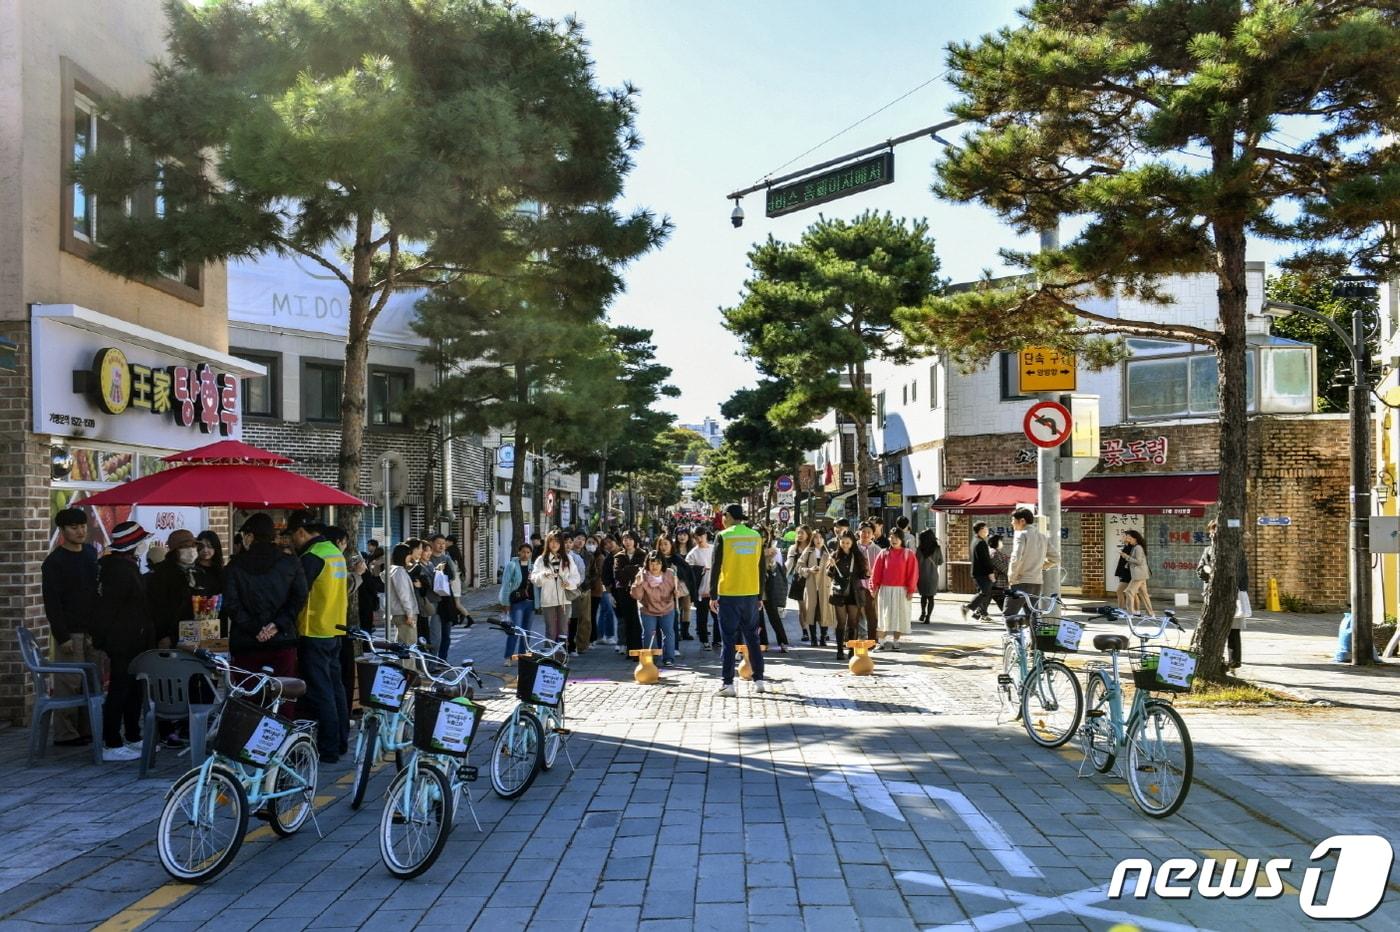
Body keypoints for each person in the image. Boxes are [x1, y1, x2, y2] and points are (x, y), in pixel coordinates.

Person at [287, 510, 349, 763]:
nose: (292, 542)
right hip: (335, 630)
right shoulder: (334, 553)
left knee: (321, 690)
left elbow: (298, 594)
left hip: (314, 631)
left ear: (301, 532)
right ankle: (341, 740)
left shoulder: (313, 557)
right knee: (336, 689)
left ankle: (329, 747)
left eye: (292, 537)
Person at [225, 513, 307, 693]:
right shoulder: (291, 563)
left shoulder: (234, 566)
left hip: (246, 644)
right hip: (283, 640)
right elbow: (299, 597)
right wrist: (277, 625)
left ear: (250, 536)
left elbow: (232, 605)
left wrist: (256, 629)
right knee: (282, 698)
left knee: (247, 699)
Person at [95, 521, 155, 762]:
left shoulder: (125, 567)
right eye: (142, 542)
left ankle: (133, 735)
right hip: (123, 641)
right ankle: (111, 741)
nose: (145, 546)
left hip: (133, 640)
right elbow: (111, 610)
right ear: (133, 545)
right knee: (120, 690)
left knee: (133, 690)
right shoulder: (118, 570)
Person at [42, 507, 100, 748]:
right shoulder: (54, 562)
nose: (80, 531)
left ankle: (87, 729)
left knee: (92, 680)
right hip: (69, 632)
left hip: (93, 630)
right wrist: (62, 635)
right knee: (69, 683)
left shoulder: (90, 553)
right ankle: (65, 734)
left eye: (83, 526)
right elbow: (52, 603)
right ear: (63, 531)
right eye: (74, 527)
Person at [710, 504, 767, 697]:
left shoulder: (723, 536)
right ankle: (759, 680)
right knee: (753, 638)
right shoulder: (756, 536)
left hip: (729, 594)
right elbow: (761, 568)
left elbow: (715, 567)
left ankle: (728, 684)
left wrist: (712, 595)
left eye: (723, 515)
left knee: (728, 640)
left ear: (729, 516)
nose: (722, 519)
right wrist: (760, 595)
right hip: (751, 593)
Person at [147, 530, 217, 653]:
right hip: (170, 640)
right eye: (185, 547)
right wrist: (165, 636)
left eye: (193, 546)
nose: (191, 550)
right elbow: (157, 609)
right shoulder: (162, 574)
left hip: (198, 635)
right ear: (175, 551)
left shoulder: (200, 572)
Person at [1198, 520, 1249, 669]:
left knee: (1233, 629)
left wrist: (1239, 590)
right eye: (1212, 531)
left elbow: (1241, 574)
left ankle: (1234, 660)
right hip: (1211, 594)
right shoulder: (1208, 550)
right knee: (1211, 628)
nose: (1213, 533)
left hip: (1232, 595)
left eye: (1216, 530)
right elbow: (1199, 569)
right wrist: (1208, 572)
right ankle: (1214, 659)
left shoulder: (1236, 551)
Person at [871, 529, 919, 650]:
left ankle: (896, 641)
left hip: (901, 590)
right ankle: (881, 642)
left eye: (896, 537)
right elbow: (876, 572)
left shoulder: (908, 554)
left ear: (902, 539)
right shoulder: (883, 553)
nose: (894, 540)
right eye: (891, 537)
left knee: (900, 615)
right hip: (885, 589)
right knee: (883, 616)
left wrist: (911, 589)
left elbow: (913, 573)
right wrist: (874, 587)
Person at [1005, 508, 1054, 622]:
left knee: (1009, 614)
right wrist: (1042, 566)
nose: (1011, 523)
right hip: (1036, 582)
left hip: (1020, 581)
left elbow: (1016, 558)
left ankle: (1016, 639)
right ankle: (1034, 640)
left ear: (1022, 521)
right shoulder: (1043, 537)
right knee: (1032, 615)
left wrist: (1011, 578)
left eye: (1013, 520)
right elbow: (1056, 558)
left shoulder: (1021, 535)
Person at [826, 530, 869, 661]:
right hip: (839, 592)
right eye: (843, 542)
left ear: (852, 543)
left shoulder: (857, 556)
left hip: (854, 592)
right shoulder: (834, 555)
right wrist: (831, 566)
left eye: (848, 542)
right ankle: (839, 650)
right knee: (841, 622)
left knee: (853, 623)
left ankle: (851, 650)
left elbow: (863, 575)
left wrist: (867, 571)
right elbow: (829, 574)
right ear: (839, 542)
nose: (845, 545)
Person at [631, 550, 679, 666]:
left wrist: (677, 592)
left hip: (667, 608)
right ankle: (651, 658)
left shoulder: (670, 574)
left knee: (669, 632)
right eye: (652, 563)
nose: (654, 566)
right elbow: (637, 596)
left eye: (658, 563)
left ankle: (669, 658)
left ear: (662, 564)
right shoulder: (642, 575)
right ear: (647, 564)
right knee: (649, 633)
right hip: (648, 609)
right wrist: (637, 584)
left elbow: (677, 589)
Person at [532, 531, 580, 643]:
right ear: (547, 543)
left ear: (561, 544)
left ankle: (561, 657)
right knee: (550, 631)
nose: (554, 544)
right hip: (548, 600)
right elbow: (534, 578)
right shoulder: (541, 559)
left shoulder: (568, 558)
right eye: (552, 541)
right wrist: (543, 575)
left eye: (557, 542)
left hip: (565, 600)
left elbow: (576, 577)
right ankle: (549, 657)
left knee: (563, 630)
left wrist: (569, 583)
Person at [498, 543, 536, 662]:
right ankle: (508, 657)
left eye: (528, 552)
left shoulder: (533, 567)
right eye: (523, 552)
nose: (525, 554)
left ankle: (523, 655)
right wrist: (505, 603)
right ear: (519, 552)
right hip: (517, 602)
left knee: (527, 631)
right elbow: (506, 584)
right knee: (515, 630)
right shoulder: (512, 565)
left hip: (530, 602)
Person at [612, 531, 646, 655]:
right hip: (624, 591)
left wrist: (627, 569)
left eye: (630, 539)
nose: (628, 542)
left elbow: (643, 571)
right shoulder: (619, 556)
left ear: (635, 540)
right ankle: (630, 649)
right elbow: (618, 575)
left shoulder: (642, 554)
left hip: (639, 591)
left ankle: (638, 649)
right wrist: (632, 569)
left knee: (637, 620)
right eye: (625, 539)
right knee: (628, 620)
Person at [797, 528, 832, 646]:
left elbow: (834, 570)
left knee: (824, 611)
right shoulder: (808, 551)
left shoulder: (828, 552)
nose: (818, 540)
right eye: (816, 537)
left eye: (821, 537)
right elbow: (799, 567)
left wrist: (832, 563)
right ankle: (813, 638)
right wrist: (809, 570)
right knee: (811, 611)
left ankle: (823, 637)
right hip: (811, 585)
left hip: (824, 586)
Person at [686, 527, 716, 648]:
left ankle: (718, 639)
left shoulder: (714, 549)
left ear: (706, 536)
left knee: (718, 617)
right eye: (696, 536)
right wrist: (701, 569)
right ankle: (704, 640)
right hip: (701, 590)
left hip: (715, 588)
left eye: (701, 536)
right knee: (702, 617)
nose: (699, 539)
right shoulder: (692, 553)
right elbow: (689, 572)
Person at [759, 542, 791, 652]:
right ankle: (763, 643)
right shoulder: (754, 550)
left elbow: (776, 569)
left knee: (774, 616)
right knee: (759, 618)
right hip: (756, 589)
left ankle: (783, 642)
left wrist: (770, 559)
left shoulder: (773, 550)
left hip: (768, 590)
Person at [385, 543, 419, 646]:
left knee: (402, 644)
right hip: (404, 614)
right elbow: (404, 595)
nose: (410, 557)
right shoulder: (399, 572)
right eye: (409, 554)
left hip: (400, 613)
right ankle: (404, 663)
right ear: (403, 555)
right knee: (408, 646)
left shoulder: (394, 570)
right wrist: (409, 614)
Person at [568, 533, 593, 657]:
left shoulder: (588, 556)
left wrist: (588, 584)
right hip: (569, 590)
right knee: (571, 618)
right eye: (578, 538)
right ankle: (569, 644)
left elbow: (593, 572)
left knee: (584, 618)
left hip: (584, 589)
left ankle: (582, 645)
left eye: (584, 539)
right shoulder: (568, 554)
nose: (581, 541)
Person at [786, 527, 812, 642]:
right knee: (802, 608)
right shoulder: (793, 548)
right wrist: (783, 576)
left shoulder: (812, 547)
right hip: (798, 580)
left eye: (802, 533)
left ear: (808, 534)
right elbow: (789, 564)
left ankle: (814, 630)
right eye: (798, 533)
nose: (800, 535)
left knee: (811, 606)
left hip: (811, 579)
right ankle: (805, 631)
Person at [857, 523, 883, 641]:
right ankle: (857, 637)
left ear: (873, 535)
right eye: (863, 531)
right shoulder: (853, 547)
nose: (866, 535)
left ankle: (872, 638)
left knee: (871, 613)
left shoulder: (877, 550)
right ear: (858, 532)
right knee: (856, 613)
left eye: (869, 532)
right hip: (856, 585)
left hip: (871, 586)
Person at [964, 522, 995, 620]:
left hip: (977, 572)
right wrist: (991, 573)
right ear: (981, 529)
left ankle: (981, 614)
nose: (987, 531)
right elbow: (985, 559)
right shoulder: (981, 542)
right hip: (982, 573)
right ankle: (968, 607)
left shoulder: (975, 540)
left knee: (985, 593)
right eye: (986, 529)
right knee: (984, 592)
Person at [1121, 529, 1153, 616]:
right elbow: (1138, 561)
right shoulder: (1136, 547)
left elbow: (1138, 561)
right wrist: (1128, 563)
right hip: (1141, 574)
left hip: (1139, 575)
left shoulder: (1138, 547)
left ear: (1135, 538)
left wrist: (1126, 557)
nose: (1128, 539)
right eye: (1127, 538)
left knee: (1129, 592)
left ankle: (1130, 612)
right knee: (1144, 595)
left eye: (1129, 538)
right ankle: (1151, 613)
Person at [673, 528, 697, 642]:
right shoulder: (673, 549)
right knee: (675, 608)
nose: (682, 537)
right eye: (679, 534)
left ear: (688, 536)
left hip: (687, 583)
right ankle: (675, 630)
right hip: (674, 583)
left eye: (684, 534)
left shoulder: (692, 549)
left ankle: (685, 631)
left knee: (687, 607)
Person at [592, 536, 616, 646]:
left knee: (603, 611)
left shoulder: (608, 555)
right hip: (603, 586)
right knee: (608, 610)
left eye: (610, 542)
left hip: (603, 586)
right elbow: (603, 574)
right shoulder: (602, 556)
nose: (608, 545)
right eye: (605, 544)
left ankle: (600, 635)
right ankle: (609, 635)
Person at [915, 529, 943, 623]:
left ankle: (922, 613)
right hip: (933, 576)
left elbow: (916, 561)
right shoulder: (937, 548)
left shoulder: (919, 549)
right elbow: (940, 561)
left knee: (923, 596)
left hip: (921, 575)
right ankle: (928, 617)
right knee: (931, 597)